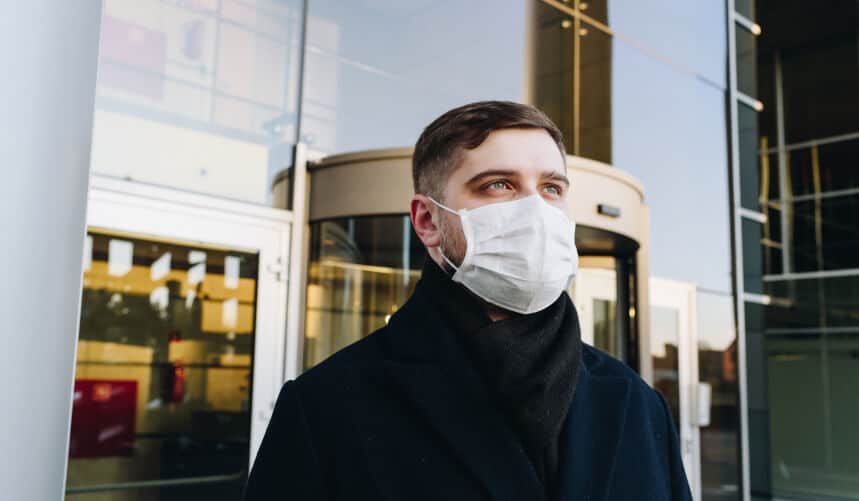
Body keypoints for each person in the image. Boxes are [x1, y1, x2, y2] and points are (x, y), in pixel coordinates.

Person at [243, 101, 692, 500]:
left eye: (552, 187)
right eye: (499, 185)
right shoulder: (326, 408)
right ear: (428, 220)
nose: (536, 211)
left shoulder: (635, 402)